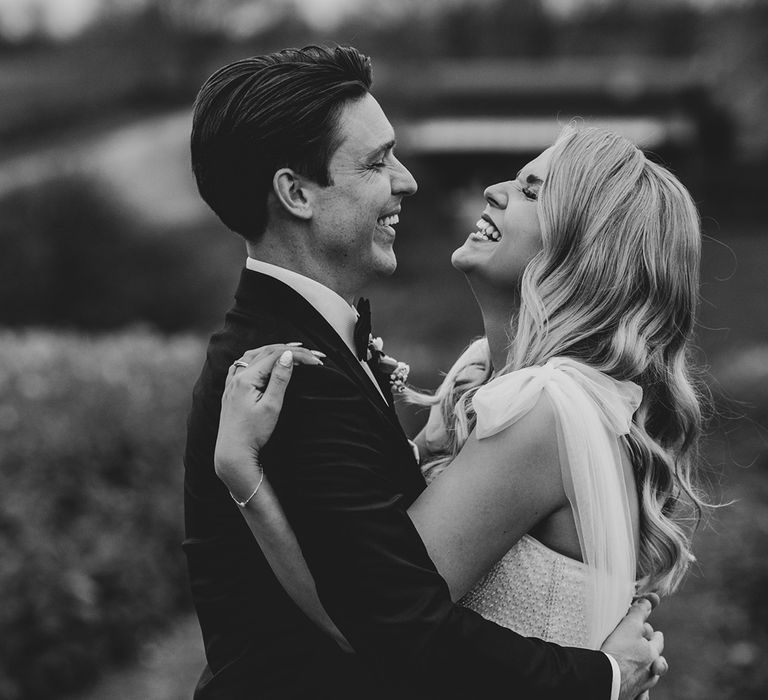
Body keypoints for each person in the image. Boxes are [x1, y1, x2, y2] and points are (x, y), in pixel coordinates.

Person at [184, 45, 666, 699]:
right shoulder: (288, 374)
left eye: (531, 188)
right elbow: (393, 626)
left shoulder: (328, 345)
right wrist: (602, 677)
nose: (407, 180)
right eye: (379, 161)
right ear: (296, 193)